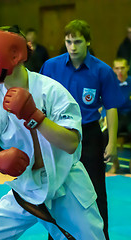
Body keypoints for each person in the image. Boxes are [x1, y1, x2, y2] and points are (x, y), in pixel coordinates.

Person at [0, 25, 105, 239]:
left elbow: (71, 143)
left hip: (66, 184)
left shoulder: (52, 91)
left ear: (14, 55)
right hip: (25, 190)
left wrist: (36, 117)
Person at [40, 19, 124, 239]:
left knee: (95, 190)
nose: (73, 47)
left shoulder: (102, 70)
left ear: (88, 42)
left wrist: (112, 142)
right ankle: (57, 236)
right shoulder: (51, 67)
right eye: (68, 42)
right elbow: (39, 100)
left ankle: (101, 235)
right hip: (58, 134)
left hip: (89, 135)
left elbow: (112, 107)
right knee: (56, 190)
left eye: (77, 41)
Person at [104, 58, 131, 173]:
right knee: (106, 135)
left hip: (130, 116)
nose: (120, 71)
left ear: (128, 68)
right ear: (113, 69)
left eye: (122, 68)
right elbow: (106, 104)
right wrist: (105, 119)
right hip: (117, 117)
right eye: (117, 68)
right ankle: (115, 165)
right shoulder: (110, 84)